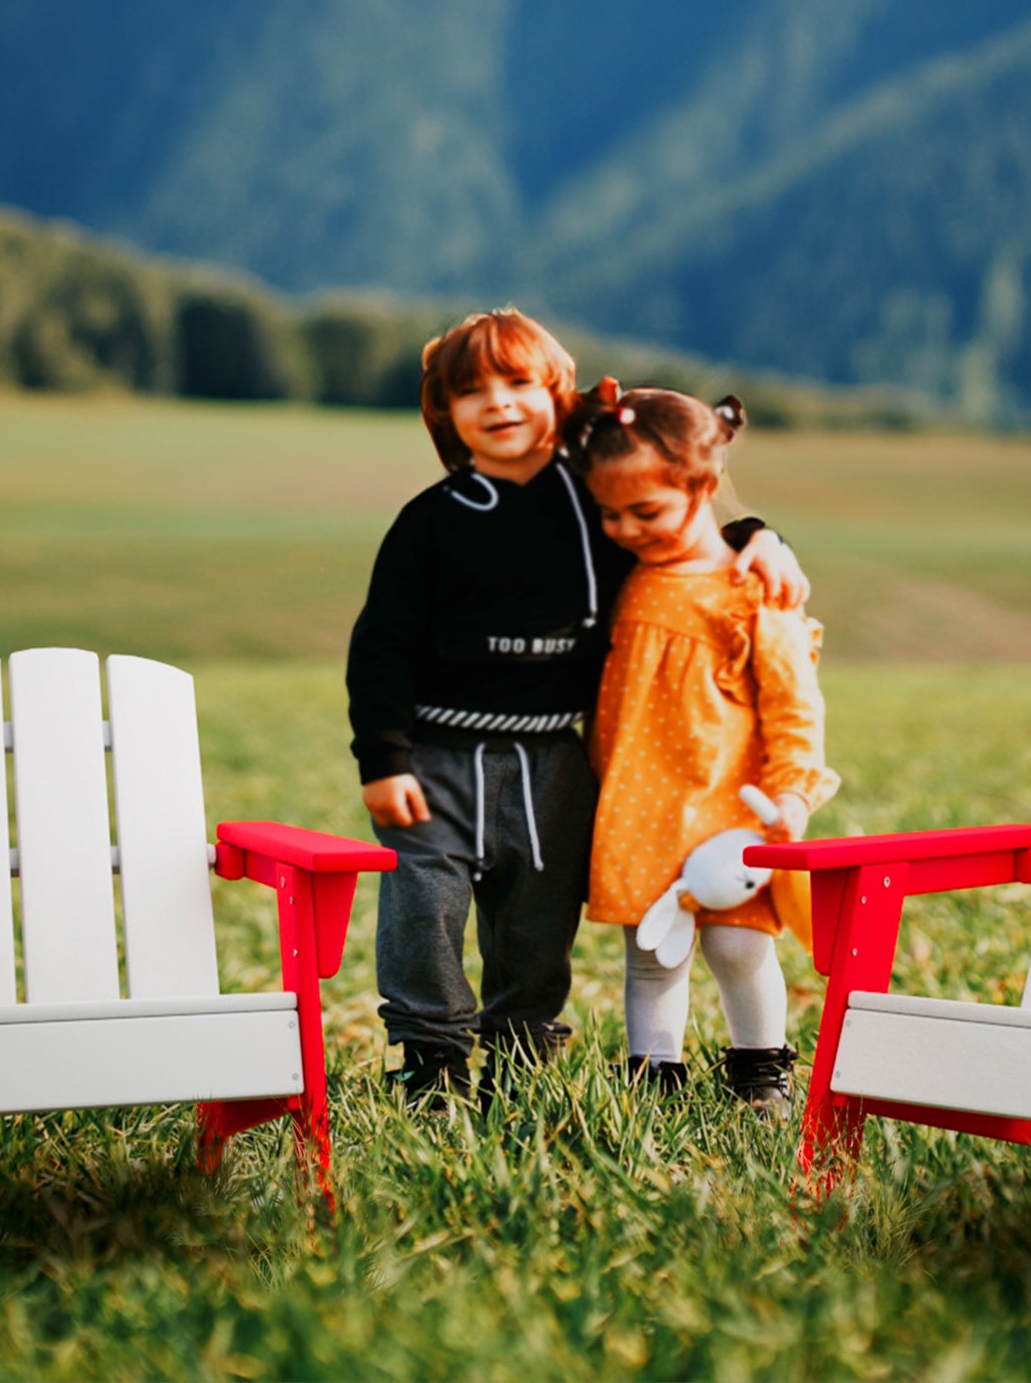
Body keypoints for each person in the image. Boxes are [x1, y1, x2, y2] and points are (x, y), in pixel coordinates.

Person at [346, 309, 809, 1101]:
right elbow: (381, 642)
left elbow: (677, 520)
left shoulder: (595, 500)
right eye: (472, 390)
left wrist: (757, 537)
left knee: (535, 920)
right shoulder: (432, 522)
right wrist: (384, 758)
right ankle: (431, 1059)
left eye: (520, 382)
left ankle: (522, 1055)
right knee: (421, 912)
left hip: (555, 757)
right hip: (439, 756)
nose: (498, 402)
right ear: (444, 411)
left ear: (557, 394)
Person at [564, 380, 838, 1111]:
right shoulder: (622, 580)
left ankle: (761, 1071)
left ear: (706, 486)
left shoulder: (751, 589)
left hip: (729, 814)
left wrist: (792, 792)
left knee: (739, 948)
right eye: (610, 514)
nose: (627, 528)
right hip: (641, 809)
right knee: (654, 956)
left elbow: (793, 705)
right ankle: (652, 1086)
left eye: (646, 511)